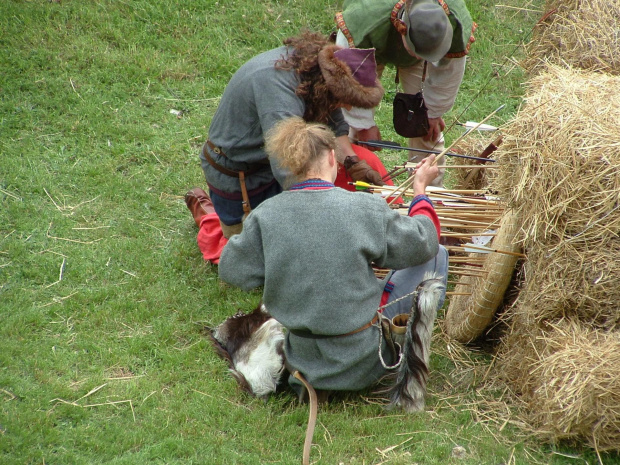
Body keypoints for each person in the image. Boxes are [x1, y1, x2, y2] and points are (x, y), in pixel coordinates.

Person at [218, 116, 448, 395]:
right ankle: (410, 348)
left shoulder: (266, 215)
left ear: (291, 165)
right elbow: (424, 241)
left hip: (303, 364)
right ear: (331, 157)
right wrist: (420, 190)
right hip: (367, 361)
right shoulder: (364, 207)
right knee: (439, 255)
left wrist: (283, 259)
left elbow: (232, 269)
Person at [185, 31, 398, 263]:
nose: (345, 106)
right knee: (255, 261)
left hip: (270, 165)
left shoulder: (318, 73)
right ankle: (208, 214)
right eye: (344, 100)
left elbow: (333, 120)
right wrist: (334, 216)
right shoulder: (278, 91)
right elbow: (288, 169)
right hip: (238, 175)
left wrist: (352, 162)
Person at [334, 0, 476, 186]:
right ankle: (346, 187)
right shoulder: (365, 18)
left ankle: (429, 197)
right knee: (350, 128)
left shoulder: (456, 19)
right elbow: (350, 76)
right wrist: (362, 123)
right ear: (403, 29)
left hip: (400, 45)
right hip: (366, 50)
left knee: (426, 129)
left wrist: (432, 112)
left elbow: (450, 70)